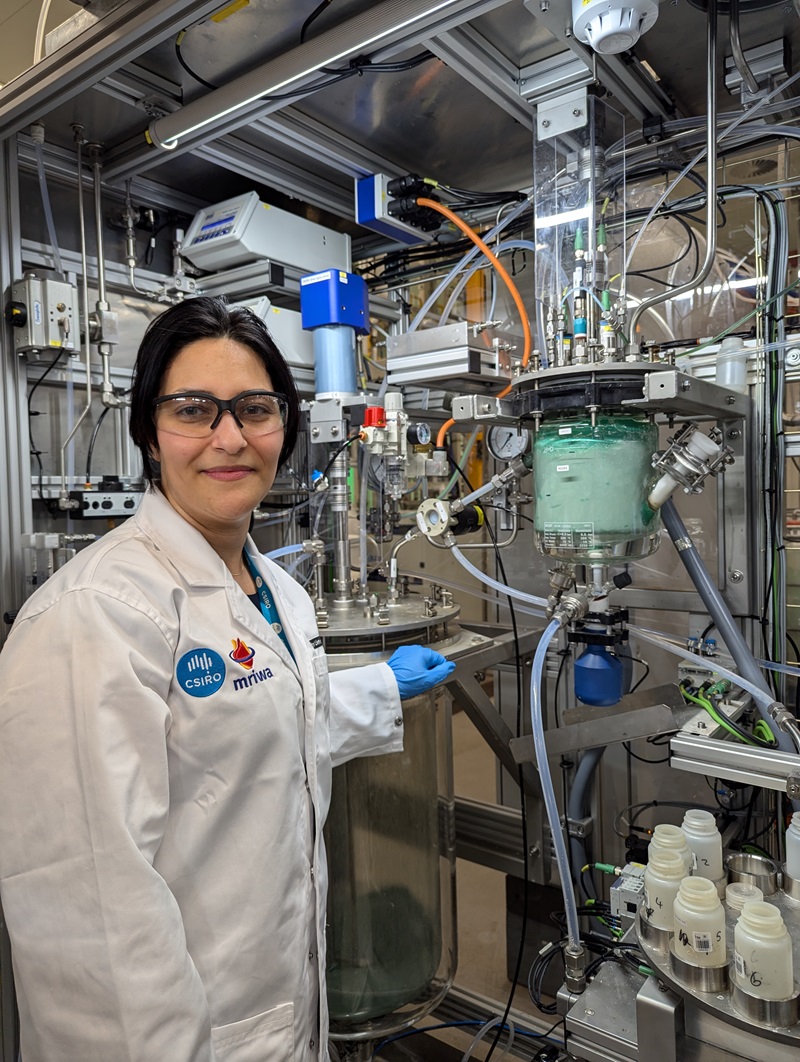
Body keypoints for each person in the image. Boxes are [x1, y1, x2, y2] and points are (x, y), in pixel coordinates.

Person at [0, 296, 455, 1062]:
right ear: (149, 429)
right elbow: (93, 915)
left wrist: (376, 686)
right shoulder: (94, 615)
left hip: (277, 1007)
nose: (230, 438)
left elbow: (255, 733)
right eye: (193, 410)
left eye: (254, 409)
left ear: (284, 425)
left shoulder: (279, 590)